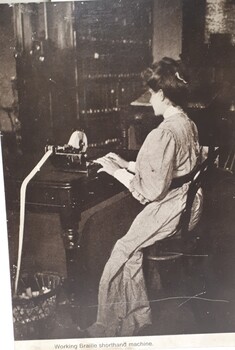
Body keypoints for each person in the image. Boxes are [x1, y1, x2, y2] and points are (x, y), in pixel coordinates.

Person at [83, 57, 203, 337]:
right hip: (189, 204)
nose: (149, 99)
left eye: (151, 93)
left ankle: (109, 325)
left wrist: (115, 172)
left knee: (123, 250)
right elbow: (170, 170)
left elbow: (150, 191)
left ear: (162, 94)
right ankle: (136, 316)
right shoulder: (187, 123)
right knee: (130, 246)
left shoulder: (163, 134)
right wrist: (127, 164)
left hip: (171, 207)